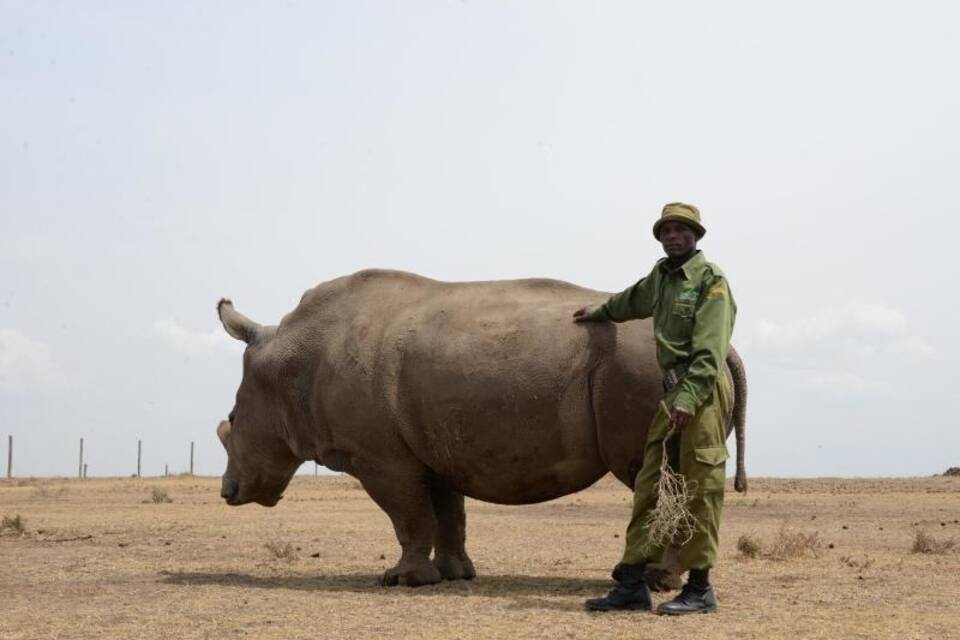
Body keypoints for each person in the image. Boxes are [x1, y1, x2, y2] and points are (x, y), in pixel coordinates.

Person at [573, 202, 736, 615]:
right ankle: (631, 582)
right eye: (666, 230)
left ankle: (700, 587)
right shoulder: (661, 278)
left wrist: (687, 397)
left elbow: (711, 349)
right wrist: (599, 311)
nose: (672, 236)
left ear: (697, 236)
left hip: (698, 394)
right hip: (671, 393)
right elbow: (631, 301)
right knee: (650, 485)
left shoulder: (710, 281)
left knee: (700, 489)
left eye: (681, 230)